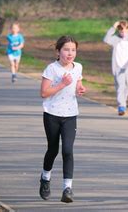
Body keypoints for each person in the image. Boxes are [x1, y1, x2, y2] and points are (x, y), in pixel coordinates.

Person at [38, 35, 87, 203]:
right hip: (52, 114)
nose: (70, 53)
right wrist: (62, 84)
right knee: (53, 150)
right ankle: (45, 178)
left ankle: (67, 188)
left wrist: (80, 89)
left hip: (70, 115)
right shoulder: (52, 69)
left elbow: (78, 84)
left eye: (73, 50)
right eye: (66, 49)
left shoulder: (78, 67)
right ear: (58, 51)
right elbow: (44, 93)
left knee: (67, 150)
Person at [103, 20, 128, 116]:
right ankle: (121, 106)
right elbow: (106, 39)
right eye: (121, 31)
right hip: (118, 66)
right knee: (120, 86)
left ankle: (123, 102)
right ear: (118, 30)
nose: (123, 33)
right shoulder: (115, 39)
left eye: (124, 31)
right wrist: (113, 27)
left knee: (127, 85)